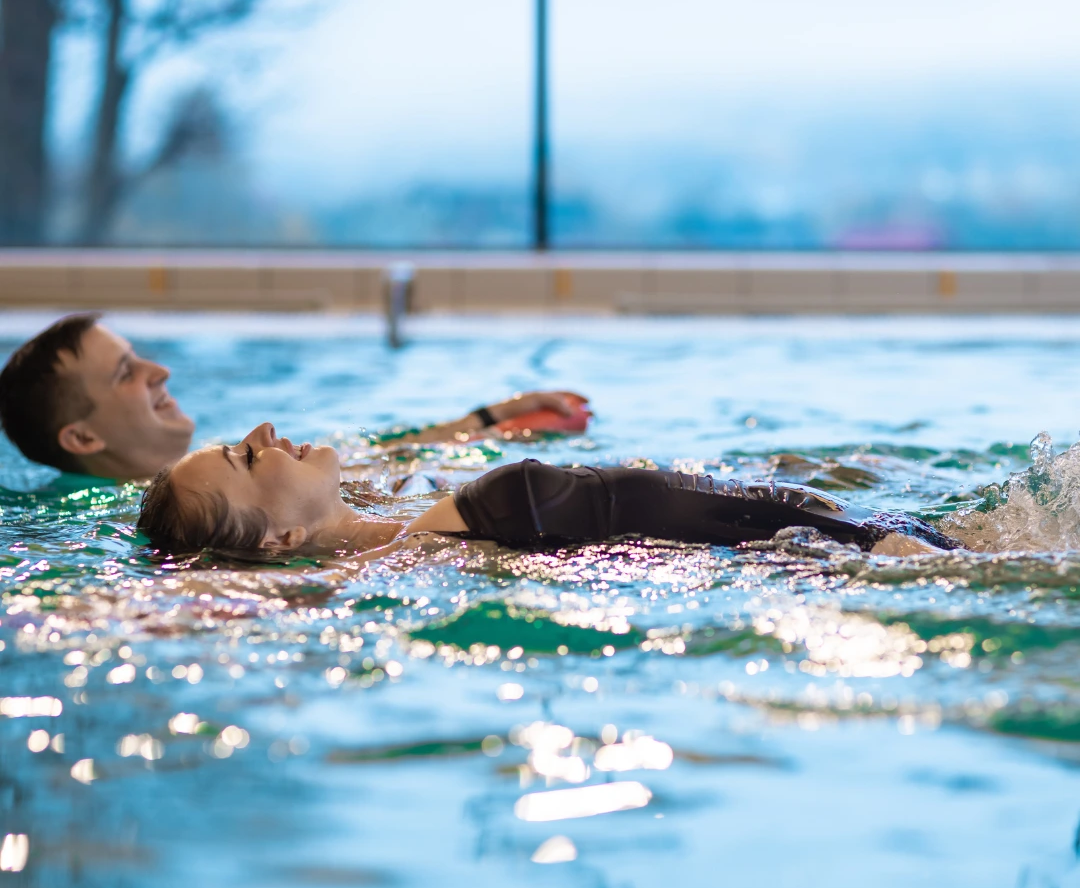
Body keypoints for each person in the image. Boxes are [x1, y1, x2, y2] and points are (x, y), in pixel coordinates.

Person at [137, 421, 964, 560]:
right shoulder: (421, 557)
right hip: (825, 556)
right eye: (244, 461)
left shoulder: (406, 511)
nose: (261, 437)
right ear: (279, 540)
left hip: (819, 525)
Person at [0, 313, 587, 482]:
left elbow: (368, 453)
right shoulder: (158, 522)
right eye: (126, 371)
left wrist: (487, 420)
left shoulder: (225, 472)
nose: (161, 370)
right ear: (82, 438)